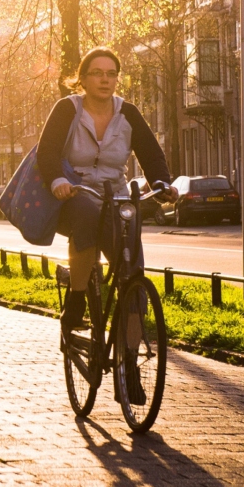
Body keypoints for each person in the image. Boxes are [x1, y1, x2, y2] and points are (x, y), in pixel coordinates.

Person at [36, 47, 176, 398]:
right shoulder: (67, 109)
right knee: (84, 211)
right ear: (82, 78)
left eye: (111, 73)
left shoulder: (127, 112)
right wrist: (57, 180)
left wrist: (161, 183)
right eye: (97, 73)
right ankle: (78, 298)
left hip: (115, 194)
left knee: (134, 271)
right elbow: (47, 151)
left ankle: (129, 361)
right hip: (75, 190)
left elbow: (150, 152)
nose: (105, 79)